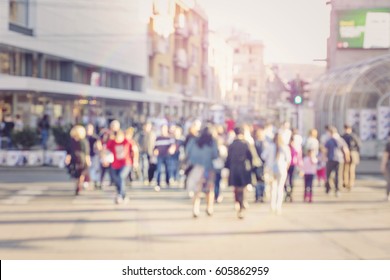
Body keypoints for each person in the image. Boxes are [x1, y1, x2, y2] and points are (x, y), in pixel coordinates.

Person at [186, 126, 218, 217]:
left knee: (197, 189)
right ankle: (209, 207)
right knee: (209, 189)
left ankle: (195, 208)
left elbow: (187, 151)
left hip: (195, 167)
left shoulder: (193, 141)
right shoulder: (212, 142)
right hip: (208, 168)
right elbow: (215, 155)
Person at [225, 127, 252, 219]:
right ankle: (241, 205)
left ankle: (237, 203)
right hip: (243, 168)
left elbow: (228, 158)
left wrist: (227, 167)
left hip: (234, 168)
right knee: (242, 188)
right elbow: (251, 157)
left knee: (236, 187)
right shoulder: (246, 144)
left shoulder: (232, 144)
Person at [106, 130, 132, 204]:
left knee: (121, 176)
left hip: (126, 163)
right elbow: (106, 150)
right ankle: (124, 195)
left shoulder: (126, 141)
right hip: (115, 164)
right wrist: (105, 159)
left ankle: (120, 195)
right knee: (116, 179)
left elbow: (134, 149)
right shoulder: (112, 142)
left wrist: (136, 161)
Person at [324, 126, 350, 197]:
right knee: (338, 175)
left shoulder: (329, 140)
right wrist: (347, 157)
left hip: (331, 159)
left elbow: (325, 150)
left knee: (329, 175)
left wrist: (324, 157)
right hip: (339, 159)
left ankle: (329, 189)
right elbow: (345, 149)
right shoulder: (340, 140)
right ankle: (337, 190)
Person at [65, 125, 91, 195]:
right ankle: (78, 185)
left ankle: (78, 185)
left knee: (79, 173)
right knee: (79, 174)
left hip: (77, 158)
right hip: (78, 159)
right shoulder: (81, 140)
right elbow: (86, 152)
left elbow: (69, 151)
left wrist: (68, 157)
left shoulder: (78, 140)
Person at [269, 133, 291, 214]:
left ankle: (272, 205)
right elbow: (288, 159)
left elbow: (263, 156)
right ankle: (278, 206)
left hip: (271, 169)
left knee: (273, 188)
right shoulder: (285, 147)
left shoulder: (270, 146)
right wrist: (286, 167)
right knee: (280, 188)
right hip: (282, 169)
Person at [154, 125, 175, 191]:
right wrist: (155, 151)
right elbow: (155, 147)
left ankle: (167, 181)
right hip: (160, 156)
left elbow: (172, 146)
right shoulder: (158, 138)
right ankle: (158, 183)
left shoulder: (169, 137)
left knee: (168, 169)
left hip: (167, 156)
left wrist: (171, 149)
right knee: (158, 169)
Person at [341, 124, 361, 190]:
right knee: (350, 169)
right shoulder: (354, 136)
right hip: (352, 152)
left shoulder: (343, 136)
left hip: (347, 153)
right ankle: (350, 183)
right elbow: (359, 145)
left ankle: (346, 182)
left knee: (346, 169)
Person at [86, 124, 102, 189]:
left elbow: (99, 146)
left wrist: (100, 153)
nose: (88, 130)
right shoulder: (84, 137)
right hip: (86, 155)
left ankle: (95, 181)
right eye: (87, 129)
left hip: (94, 155)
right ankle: (88, 181)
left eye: (89, 129)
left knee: (95, 168)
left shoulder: (95, 137)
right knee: (88, 169)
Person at [254, 127, 266, 203]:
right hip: (260, 163)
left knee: (259, 180)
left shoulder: (257, 143)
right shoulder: (261, 143)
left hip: (258, 164)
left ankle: (259, 195)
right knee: (260, 180)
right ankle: (260, 195)